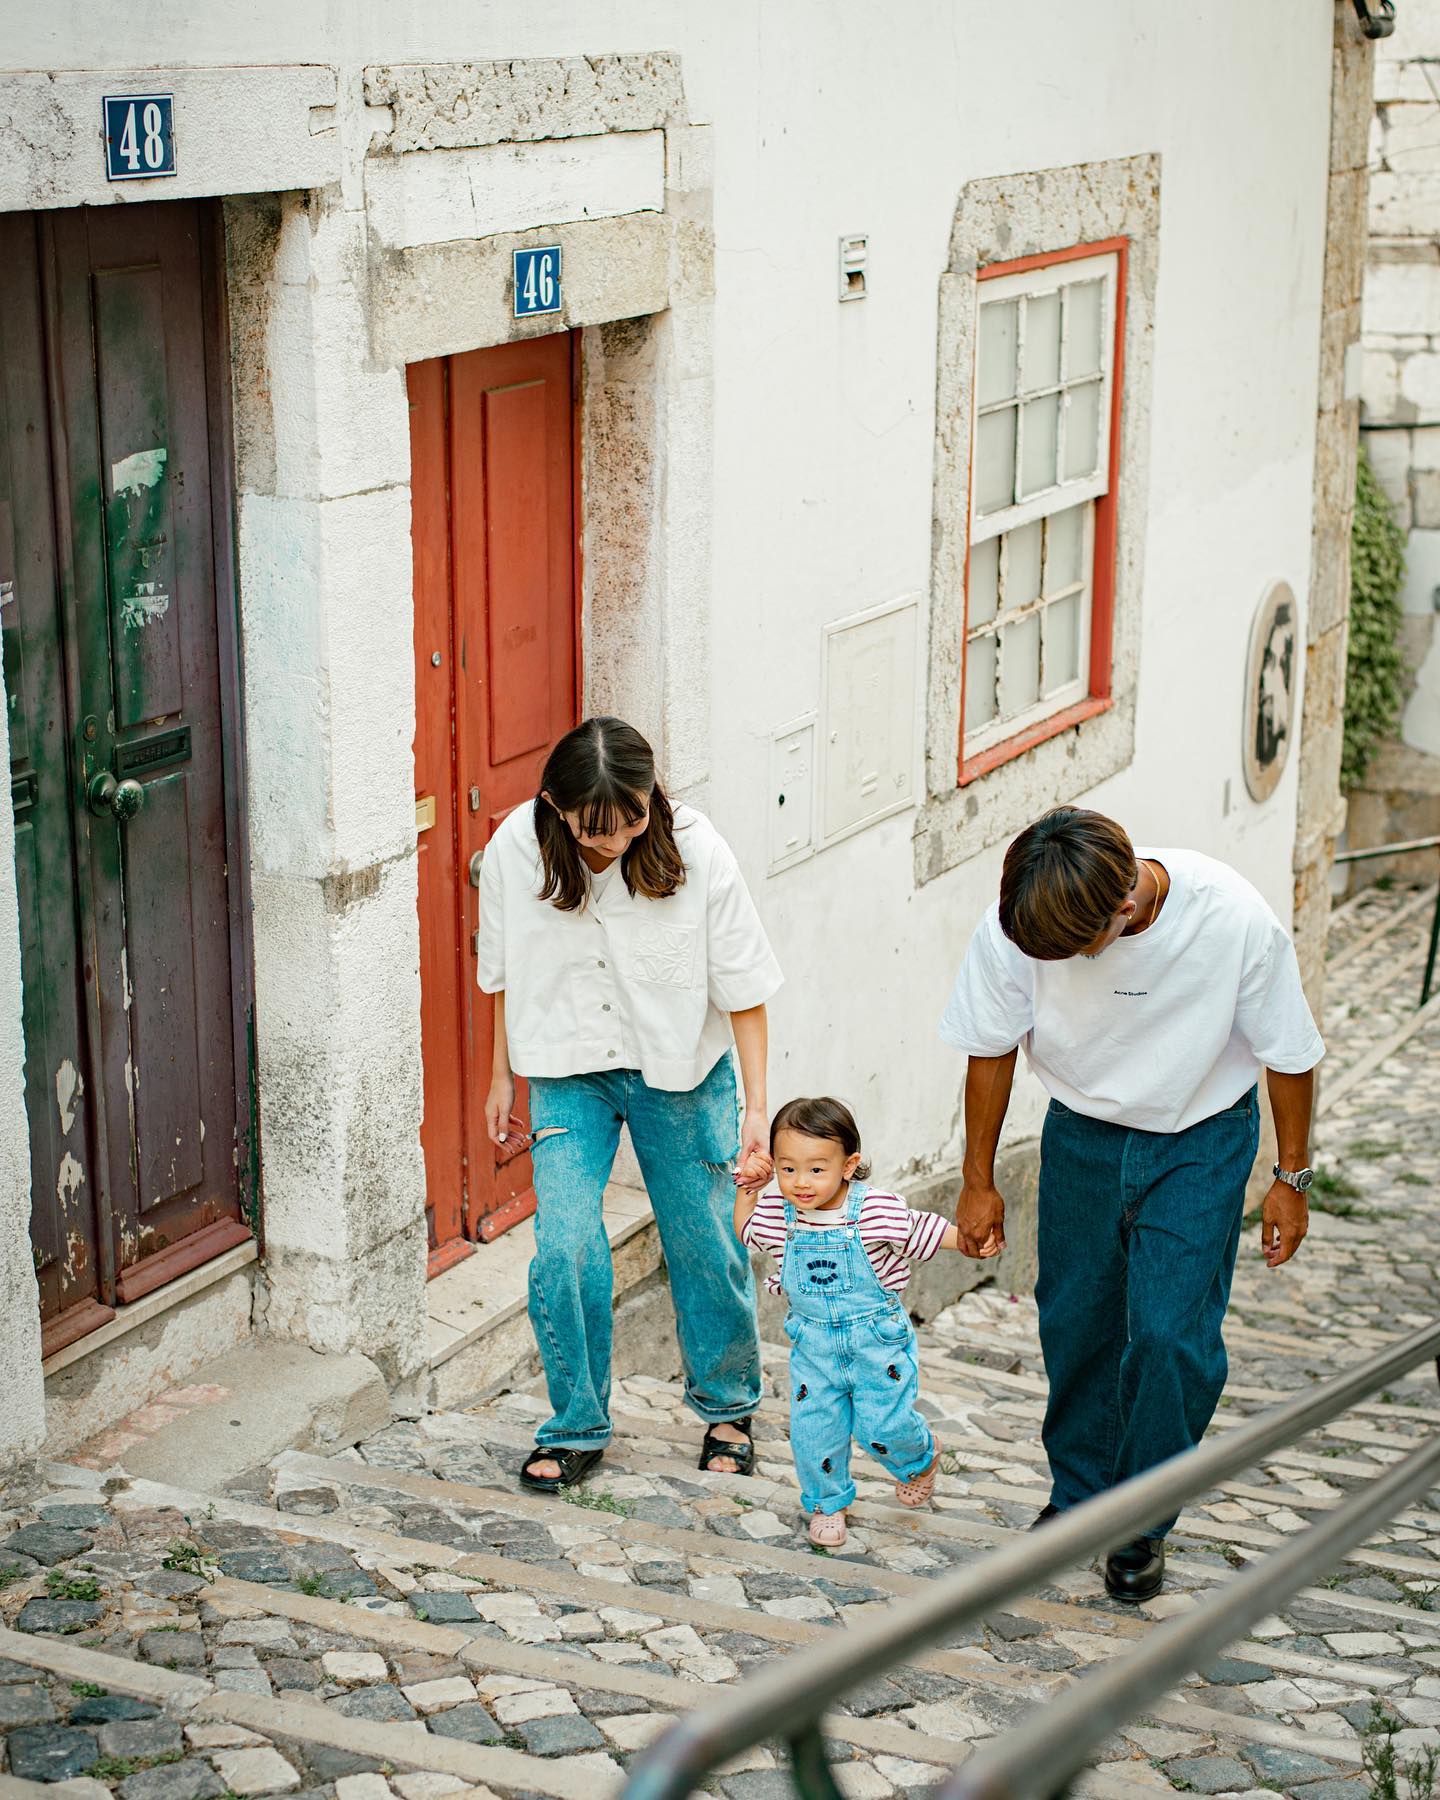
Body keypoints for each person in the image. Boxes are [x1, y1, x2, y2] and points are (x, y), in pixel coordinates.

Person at [939, 807, 1324, 1601]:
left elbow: (1289, 1054)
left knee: (1168, 1337)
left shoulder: (1232, 919)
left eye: (1074, 950)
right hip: (1082, 1135)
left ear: (1122, 908)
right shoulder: (1023, 920)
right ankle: (1079, 1502)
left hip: (1200, 1137)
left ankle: (1141, 1522)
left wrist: (1292, 1178)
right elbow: (990, 1046)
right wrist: (977, 1179)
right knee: (1076, 1320)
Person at [478, 717, 781, 1492]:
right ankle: (576, 1424)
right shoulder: (516, 848)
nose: (615, 841)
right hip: (566, 1070)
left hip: (678, 1072)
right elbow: (499, 969)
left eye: (634, 819)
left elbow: (744, 988)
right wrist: (498, 1076)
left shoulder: (701, 852)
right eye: (593, 828)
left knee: (703, 1242)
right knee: (565, 1243)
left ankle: (729, 1408)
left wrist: (756, 1106)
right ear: (555, 805)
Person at [734, 1097, 958, 1548]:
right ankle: (827, 1503)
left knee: (883, 1427)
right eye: (787, 1168)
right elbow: (745, 1231)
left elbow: (928, 1231)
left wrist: (975, 1238)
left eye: (817, 1169)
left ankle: (920, 1457)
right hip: (813, 1348)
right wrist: (749, 1189)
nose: (800, 1182)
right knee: (814, 1432)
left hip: (877, 1342)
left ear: (849, 1164)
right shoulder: (781, 1216)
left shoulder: (877, 1211)